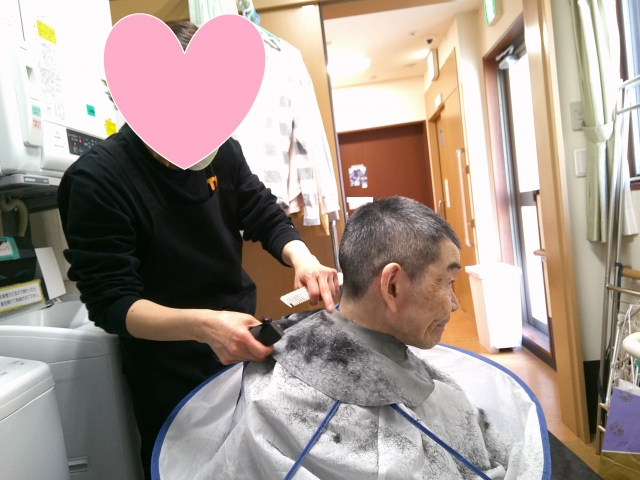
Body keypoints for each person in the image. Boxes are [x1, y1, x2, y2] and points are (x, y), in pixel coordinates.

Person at [57, 21, 339, 479]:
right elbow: (113, 303)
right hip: (167, 365)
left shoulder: (223, 151)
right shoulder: (97, 180)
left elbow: (261, 210)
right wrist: (205, 326)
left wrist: (302, 258)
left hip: (238, 343)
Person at [190, 196, 531, 479]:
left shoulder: (280, 367)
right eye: (447, 282)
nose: (454, 304)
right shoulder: (288, 406)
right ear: (392, 286)